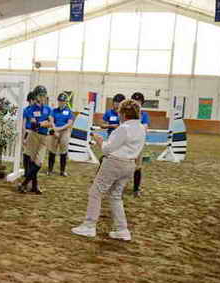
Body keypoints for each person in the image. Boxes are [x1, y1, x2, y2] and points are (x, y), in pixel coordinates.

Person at [71, 99, 146, 241]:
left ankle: (89, 225)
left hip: (114, 163)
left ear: (123, 114)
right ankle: (122, 229)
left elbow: (107, 149)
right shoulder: (141, 128)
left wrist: (99, 141)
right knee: (116, 196)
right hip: (130, 165)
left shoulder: (123, 128)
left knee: (96, 191)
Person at [18, 85, 51, 194]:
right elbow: (32, 123)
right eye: (40, 95)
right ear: (36, 96)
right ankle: (34, 186)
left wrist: (41, 123)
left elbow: (50, 123)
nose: (42, 98)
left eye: (44, 95)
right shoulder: (30, 109)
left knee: (39, 162)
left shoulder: (48, 109)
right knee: (32, 162)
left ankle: (24, 184)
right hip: (33, 136)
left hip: (44, 137)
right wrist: (42, 123)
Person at [47, 92, 74, 176]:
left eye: (63, 101)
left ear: (66, 102)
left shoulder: (69, 112)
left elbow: (69, 123)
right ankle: (50, 170)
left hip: (64, 131)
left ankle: (62, 171)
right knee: (52, 150)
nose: (61, 102)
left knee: (63, 151)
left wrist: (59, 129)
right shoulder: (54, 111)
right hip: (55, 131)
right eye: (60, 101)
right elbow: (51, 119)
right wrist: (55, 129)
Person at [131, 92, 150, 197]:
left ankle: (136, 189)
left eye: (139, 102)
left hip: (138, 143)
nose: (137, 104)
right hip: (127, 142)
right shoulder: (128, 113)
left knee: (138, 166)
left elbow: (145, 127)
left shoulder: (144, 115)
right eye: (135, 101)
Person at [22, 91, 37, 182]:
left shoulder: (36, 110)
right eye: (34, 100)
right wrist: (24, 137)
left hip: (34, 133)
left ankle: (29, 172)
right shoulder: (26, 110)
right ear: (31, 100)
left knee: (31, 154)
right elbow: (23, 125)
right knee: (27, 153)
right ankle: (27, 172)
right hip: (29, 132)